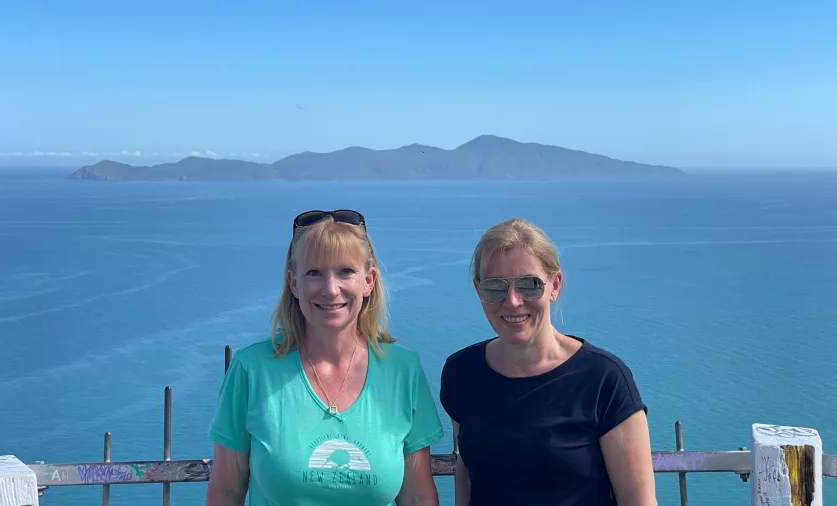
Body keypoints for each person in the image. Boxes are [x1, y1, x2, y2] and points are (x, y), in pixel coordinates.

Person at [206, 209, 444, 506]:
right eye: (314, 272)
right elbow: (226, 492)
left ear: (369, 281)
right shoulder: (252, 370)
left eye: (346, 271)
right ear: (294, 284)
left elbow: (418, 496)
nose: (331, 289)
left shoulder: (403, 370)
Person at [440, 217, 656, 506]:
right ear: (479, 291)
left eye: (529, 285)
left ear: (554, 285)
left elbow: (637, 501)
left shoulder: (604, 378)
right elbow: (466, 473)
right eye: (495, 287)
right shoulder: (462, 373)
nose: (513, 301)